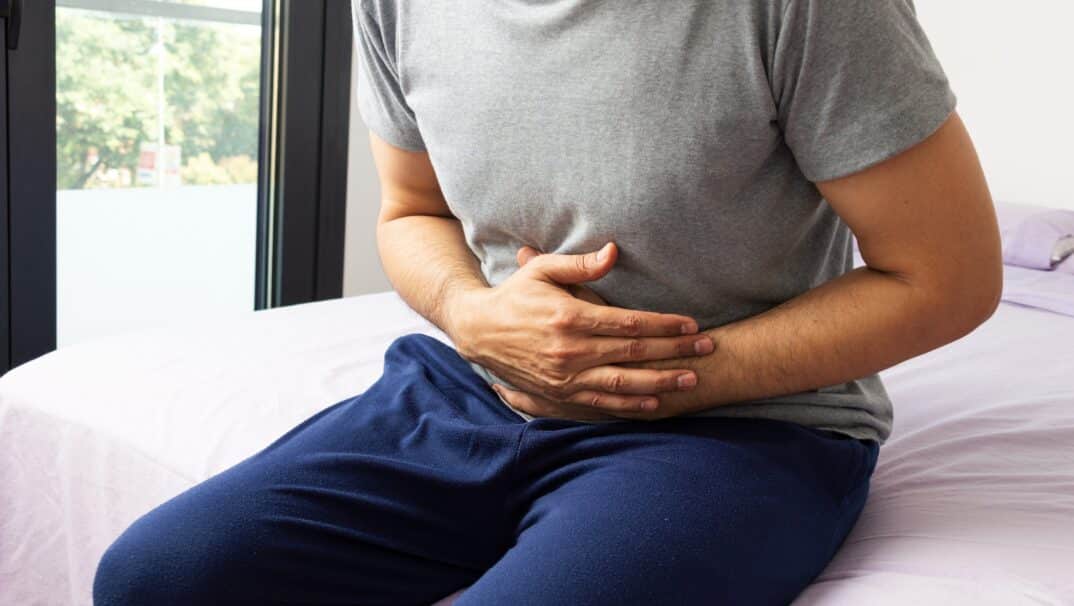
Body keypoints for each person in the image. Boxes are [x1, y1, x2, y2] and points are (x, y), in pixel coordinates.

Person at [93, 0, 1002, 604]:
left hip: (743, 430)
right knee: (152, 579)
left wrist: (651, 381)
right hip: (472, 388)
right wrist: (467, 311)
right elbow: (412, 211)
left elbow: (947, 278)